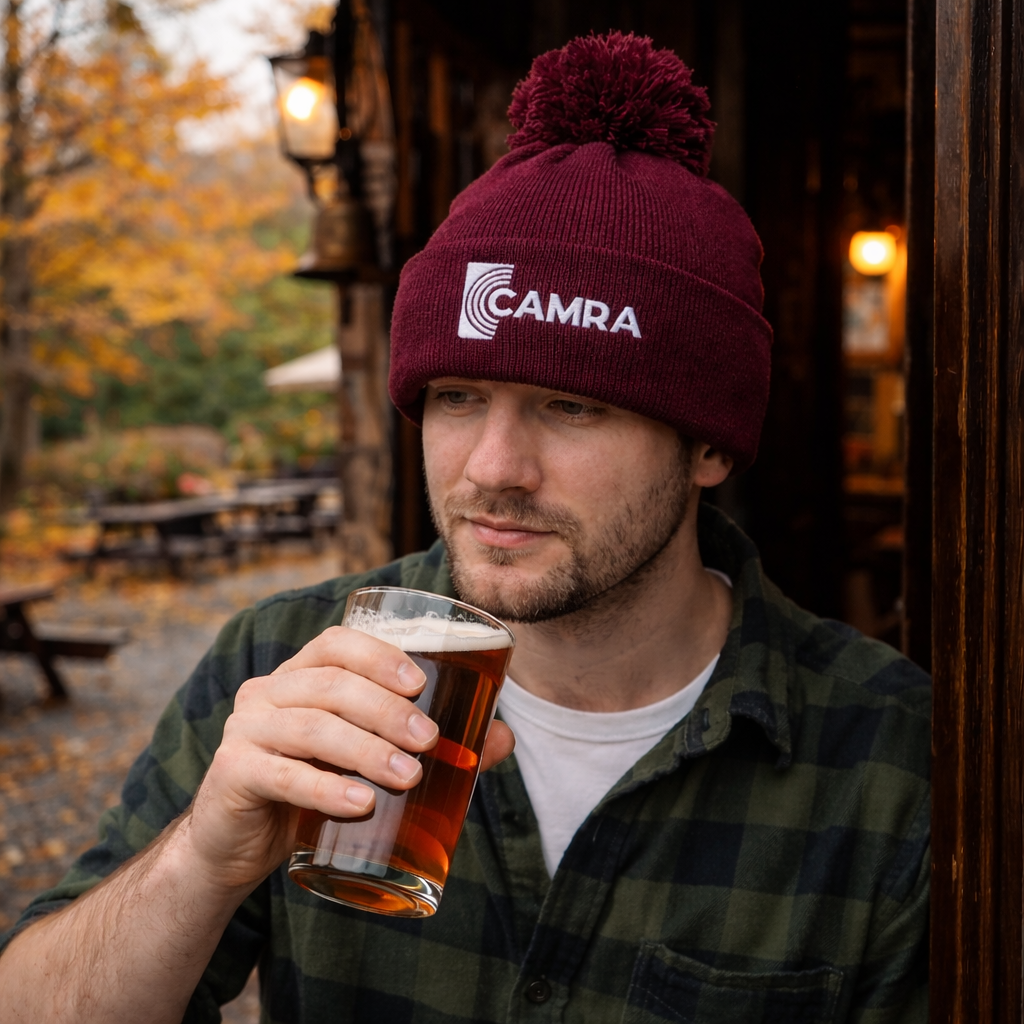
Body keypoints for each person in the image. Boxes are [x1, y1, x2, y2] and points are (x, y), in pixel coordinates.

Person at [0, 32, 929, 1024]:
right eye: (455, 397)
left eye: (571, 407)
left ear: (708, 444)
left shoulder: (886, 755)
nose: (492, 467)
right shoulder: (285, 664)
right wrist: (202, 857)